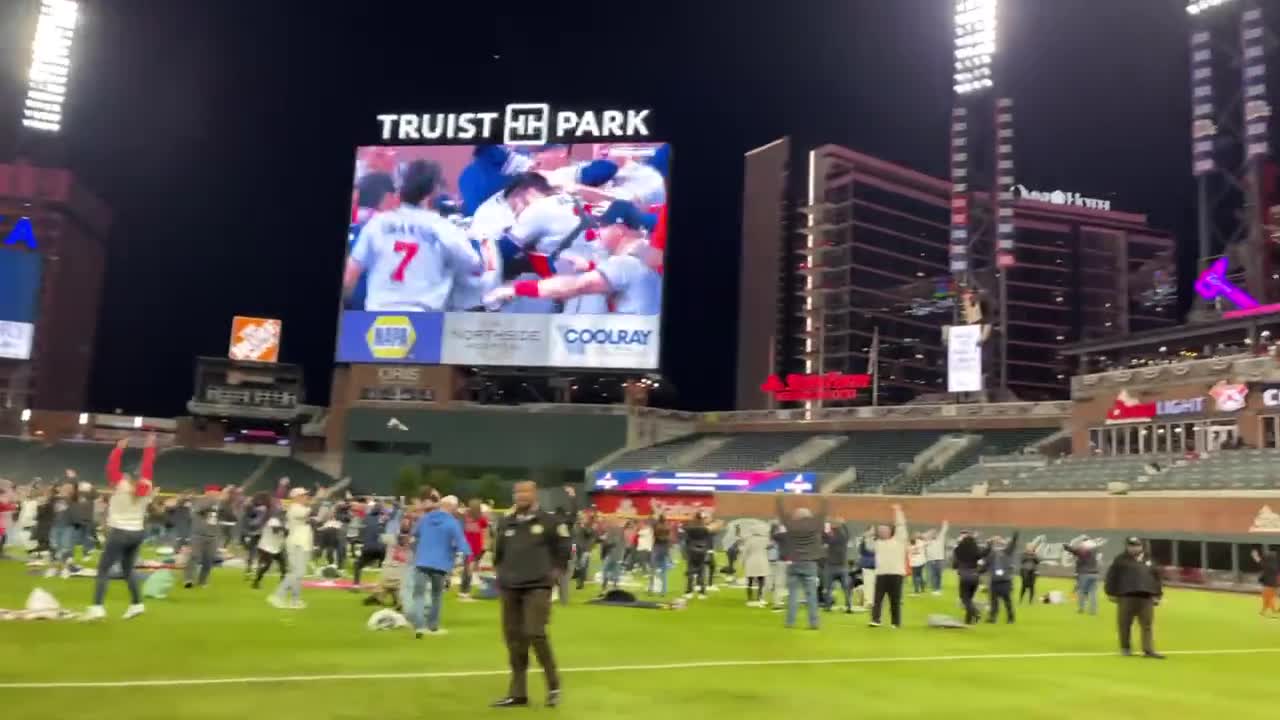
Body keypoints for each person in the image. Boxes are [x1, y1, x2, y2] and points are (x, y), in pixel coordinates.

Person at [343, 159, 483, 312]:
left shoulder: (377, 223)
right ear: (433, 192)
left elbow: (349, 277)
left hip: (376, 318)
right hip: (424, 321)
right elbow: (474, 266)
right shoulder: (443, 228)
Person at [492, 481, 570, 709]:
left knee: (535, 633)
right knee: (514, 640)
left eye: (525, 492)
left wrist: (555, 573)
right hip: (510, 587)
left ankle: (553, 686)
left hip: (538, 585)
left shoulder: (550, 521)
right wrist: (502, 574)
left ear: (534, 494)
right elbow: (499, 553)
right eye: (517, 492)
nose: (521, 496)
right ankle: (518, 693)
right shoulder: (506, 521)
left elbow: (566, 547)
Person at [83, 435, 155, 621]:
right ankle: (137, 603)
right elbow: (148, 465)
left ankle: (97, 607)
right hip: (137, 532)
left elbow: (111, 467)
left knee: (103, 570)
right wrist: (149, 447)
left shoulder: (121, 485)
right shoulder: (146, 486)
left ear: (127, 476)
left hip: (119, 532)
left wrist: (118, 449)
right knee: (128, 569)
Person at [411, 494, 471, 637]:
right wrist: (468, 556)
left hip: (421, 562)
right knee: (436, 596)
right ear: (452, 507)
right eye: (456, 508)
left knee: (418, 595)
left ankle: (419, 627)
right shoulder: (452, 523)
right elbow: (462, 542)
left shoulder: (425, 518)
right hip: (441, 564)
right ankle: (433, 626)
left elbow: (414, 533)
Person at [1104, 537, 1165, 659]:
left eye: (1136, 545)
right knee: (1124, 624)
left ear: (1142, 546)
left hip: (1146, 596)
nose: (1133, 548)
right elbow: (1112, 576)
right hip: (1126, 595)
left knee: (1147, 625)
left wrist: (1158, 595)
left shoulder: (1150, 560)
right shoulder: (1120, 560)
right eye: (1131, 545)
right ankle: (1125, 648)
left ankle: (1148, 650)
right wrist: (1110, 592)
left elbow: (1157, 578)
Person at [775, 494, 828, 630]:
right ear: (809, 516)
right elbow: (823, 513)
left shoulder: (791, 525)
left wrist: (779, 498)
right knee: (811, 595)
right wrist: (824, 499)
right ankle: (814, 623)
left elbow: (782, 513)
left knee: (793, 594)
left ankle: (790, 622)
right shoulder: (815, 524)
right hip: (810, 563)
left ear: (796, 516)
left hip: (793, 563)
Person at [269, 486, 314, 610]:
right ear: (296, 497)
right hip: (297, 543)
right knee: (298, 572)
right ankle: (277, 595)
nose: (306, 497)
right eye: (303, 495)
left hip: (302, 543)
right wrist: (319, 500)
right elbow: (307, 513)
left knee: (298, 574)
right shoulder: (295, 508)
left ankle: (295, 600)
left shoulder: (299, 508)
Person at [869, 504, 908, 629]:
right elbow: (868, 545)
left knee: (895, 600)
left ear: (890, 531)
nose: (882, 532)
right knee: (877, 599)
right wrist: (869, 534)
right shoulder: (877, 543)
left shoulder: (899, 540)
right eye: (880, 530)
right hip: (881, 574)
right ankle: (876, 620)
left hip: (896, 574)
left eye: (884, 530)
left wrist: (898, 511)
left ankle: (895, 622)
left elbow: (901, 526)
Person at [185, 484, 222, 589]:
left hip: (213, 535)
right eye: (216, 491)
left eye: (218, 492)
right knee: (194, 556)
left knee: (208, 560)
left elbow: (228, 515)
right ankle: (189, 579)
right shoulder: (200, 501)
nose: (218, 494)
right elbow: (198, 510)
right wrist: (212, 502)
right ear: (208, 492)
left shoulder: (219, 504)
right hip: (198, 534)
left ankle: (203, 581)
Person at [353, 500, 390, 588]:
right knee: (387, 566)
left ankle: (356, 585)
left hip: (368, 548)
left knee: (358, 565)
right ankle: (386, 585)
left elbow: (362, 532)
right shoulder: (383, 519)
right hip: (381, 549)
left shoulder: (366, 518)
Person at [984, 532, 1019, 624]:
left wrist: (1015, 535)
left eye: (999, 541)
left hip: (1005, 581)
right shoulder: (991, 554)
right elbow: (985, 565)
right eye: (996, 541)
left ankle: (1011, 618)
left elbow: (1013, 544)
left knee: (1007, 601)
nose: (998, 543)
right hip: (995, 581)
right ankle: (992, 618)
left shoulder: (1007, 551)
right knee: (994, 601)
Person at [459, 499, 490, 601]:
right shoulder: (466, 516)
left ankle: (464, 590)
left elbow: (485, 532)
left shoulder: (481, 519)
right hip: (468, 546)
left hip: (476, 546)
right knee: (468, 569)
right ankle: (465, 591)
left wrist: (485, 545)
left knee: (469, 569)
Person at [1065, 537, 1102, 615]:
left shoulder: (1084, 549)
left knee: (1081, 592)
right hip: (1094, 573)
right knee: (1093, 593)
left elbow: (1076, 551)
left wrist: (1068, 547)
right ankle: (1093, 611)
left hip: (1085, 574)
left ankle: (1081, 609)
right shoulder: (1094, 550)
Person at [823, 518, 853, 613]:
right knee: (845, 588)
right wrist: (843, 524)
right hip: (841, 566)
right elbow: (848, 534)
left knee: (828, 588)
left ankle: (828, 606)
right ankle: (848, 607)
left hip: (832, 566)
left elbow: (823, 536)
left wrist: (827, 526)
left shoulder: (831, 537)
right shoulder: (843, 536)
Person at [953, 529, 983, 625]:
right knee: (969, 599)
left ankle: (976, 613)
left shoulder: (959, 551)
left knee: (964, 599)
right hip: (975, 577)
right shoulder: (976, 551)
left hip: (965, 576)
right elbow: (983, 553)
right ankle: (968, 620)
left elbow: (955, 563)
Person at [682, 513, 713, 599]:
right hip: (702, 551)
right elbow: (708, 540)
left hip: (692, 550)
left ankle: (689, 592)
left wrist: (686, 551)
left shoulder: (690, 528)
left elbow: (686, 540)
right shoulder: (705, 529)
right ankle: (702, 592)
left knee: (690, 571)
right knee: (701, 571)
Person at [741, 523, 770, 607]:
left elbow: (745, 552)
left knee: (749, 581)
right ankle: (759, 598)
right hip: (762, 562)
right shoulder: (766, 540)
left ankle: (749, 599)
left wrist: (742, 562)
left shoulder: (749, 540)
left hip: (751, 562)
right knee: (761, 581)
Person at [924, 521, 950, 596]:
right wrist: (930, 533)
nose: (933, 534)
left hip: (940, 560)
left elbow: (943, 531)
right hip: (932, 560)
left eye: (934, 533)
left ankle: (938, 589)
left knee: (939, 575)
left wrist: (945, 525)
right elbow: (924, 536)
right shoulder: (928, 542)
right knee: (934, 575)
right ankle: (935, 589)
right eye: (932, 534)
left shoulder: (940, 539)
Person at [649, 514, 672, 596]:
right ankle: (664, 590)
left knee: (653, 570)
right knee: (663, 571)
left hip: (656, 547)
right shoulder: (667, 527)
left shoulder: (656, 526)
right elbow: (669, 539)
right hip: (664, 548)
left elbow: (651, 521)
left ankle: (651, 588)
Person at [1251, 546, 1278, 616]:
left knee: (1267, 598)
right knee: (1268, 598)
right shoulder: (1275, 565)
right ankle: (1265, 611)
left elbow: (1259, 561)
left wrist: (1255, 555)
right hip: (1274, 584)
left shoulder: (1267, 565)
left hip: (1269, 584)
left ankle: (1273, 611)